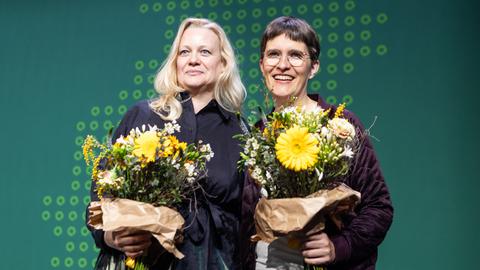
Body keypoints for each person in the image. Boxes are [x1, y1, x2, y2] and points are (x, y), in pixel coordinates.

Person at [86, 17, 247, 270]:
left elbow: (246, 218)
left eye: (205, 51)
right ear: (175, 62)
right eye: (185, 52)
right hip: (145, 261)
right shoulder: (144, 115)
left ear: (223, 63)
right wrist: (110, 237)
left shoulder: (239, 131)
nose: (193, 59)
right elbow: (102, 194)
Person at [241, 16, 393, 270]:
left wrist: (339, 247)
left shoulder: (340, 126)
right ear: (262, 65)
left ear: (313, 67)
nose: (283, 65)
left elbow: (379, 207)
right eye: (273, 54)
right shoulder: (257, 134)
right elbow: (245, 221)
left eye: (296, 56)